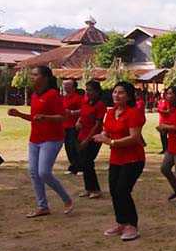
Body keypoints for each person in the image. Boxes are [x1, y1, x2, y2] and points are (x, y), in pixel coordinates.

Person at [8, 66, 73, 218]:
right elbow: (34, 118)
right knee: (34, 173)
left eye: (35, 74)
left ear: (45, 78)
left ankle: (67, 199)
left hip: (52, 139)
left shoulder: (53, 95)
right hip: (35, 139)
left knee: (44, 172)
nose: (32, 77)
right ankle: (42, 206)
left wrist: (46, 117)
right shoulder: (35, 96)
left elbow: (63, 117)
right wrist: (19, 114)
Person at [93, 81, 145, 241]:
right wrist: (103, 135)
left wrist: (111, 142)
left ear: (128, 96)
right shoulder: (110, 112)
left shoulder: (133, 113)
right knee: (114, 191)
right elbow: (107, 130)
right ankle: (121, 222)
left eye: (121, 92)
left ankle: (132, 226)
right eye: (115, 92)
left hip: (133, 159)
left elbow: (134, 138)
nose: (116, 95)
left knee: (123, 190)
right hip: (116, 158)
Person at [76, 80, 107, 199]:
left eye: (90, 90)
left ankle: (95, 189)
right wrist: (78, 121)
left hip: (93, 137)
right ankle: (88, 188)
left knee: (88, 163)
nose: (87, 92)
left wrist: (87, 140)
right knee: (84, 163)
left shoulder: (100, 105)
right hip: (82, 135)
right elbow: (82, 114)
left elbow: (97, 125)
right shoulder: (86, 102)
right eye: (87, 89)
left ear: (97, 92)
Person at [61, 79, 83, 175]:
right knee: (68, 147)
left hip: (74, 126)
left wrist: (72, 112)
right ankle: (73, 166)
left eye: (67, 85)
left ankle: (79, 167)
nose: (65, 86)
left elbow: (84, 110)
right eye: (64, 85)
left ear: (74, 87)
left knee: (74, 147)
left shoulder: (78, 98)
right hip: (64, 126)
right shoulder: (63, 98)